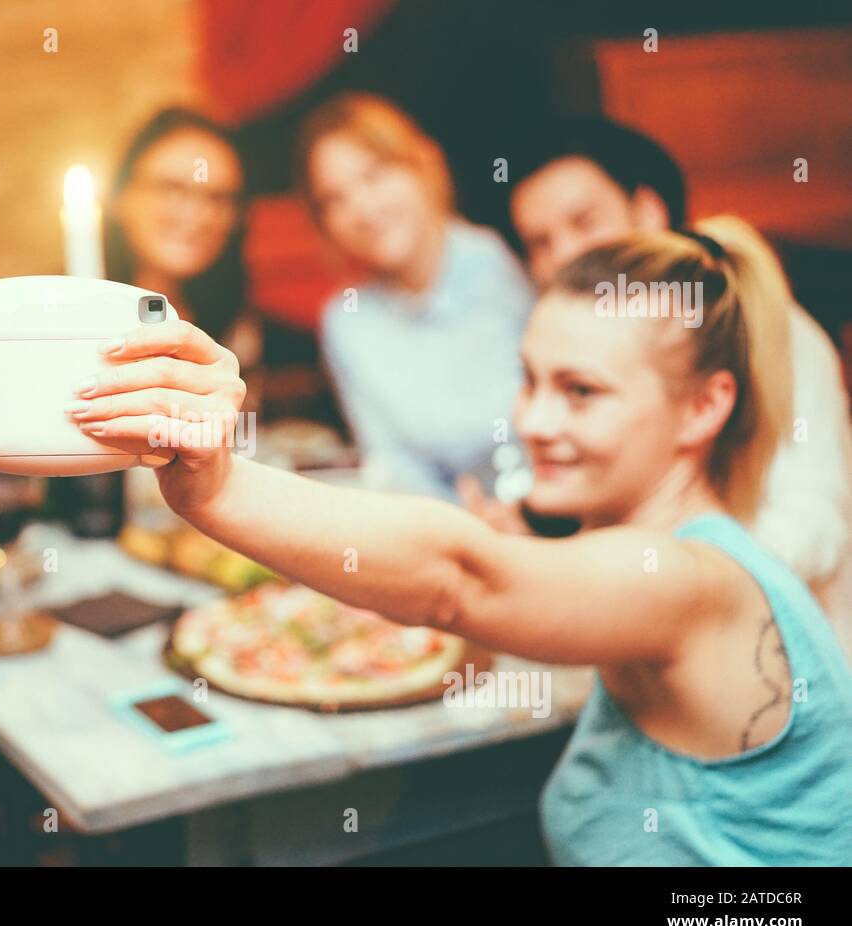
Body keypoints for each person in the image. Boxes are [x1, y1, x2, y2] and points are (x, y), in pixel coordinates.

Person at [67, 215, 852, 865]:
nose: (537, 421)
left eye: (582, 392)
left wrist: (219, 484)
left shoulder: (691, 581)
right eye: (530, 379)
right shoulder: (665, 567)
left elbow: (460, 579)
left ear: (705, 407)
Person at [505, 117, 852, 616]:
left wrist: (672, 588)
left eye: (583, 223)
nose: (562, 256)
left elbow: (816, 528)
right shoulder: (578, 338)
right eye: (539, 242)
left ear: (647, 211)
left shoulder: (767, 331)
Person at [293, 92, 535, 499]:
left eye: (374, 175)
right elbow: (394, 471)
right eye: (334, 199)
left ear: (424, 164)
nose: (362, 208)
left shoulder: (509, 260)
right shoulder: (348, 322)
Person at [104, 107, 264, 408]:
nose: (197, 216)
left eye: (218, 198)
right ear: (121, 196)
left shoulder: (244, 331)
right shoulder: (61, 318)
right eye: (172, 188)